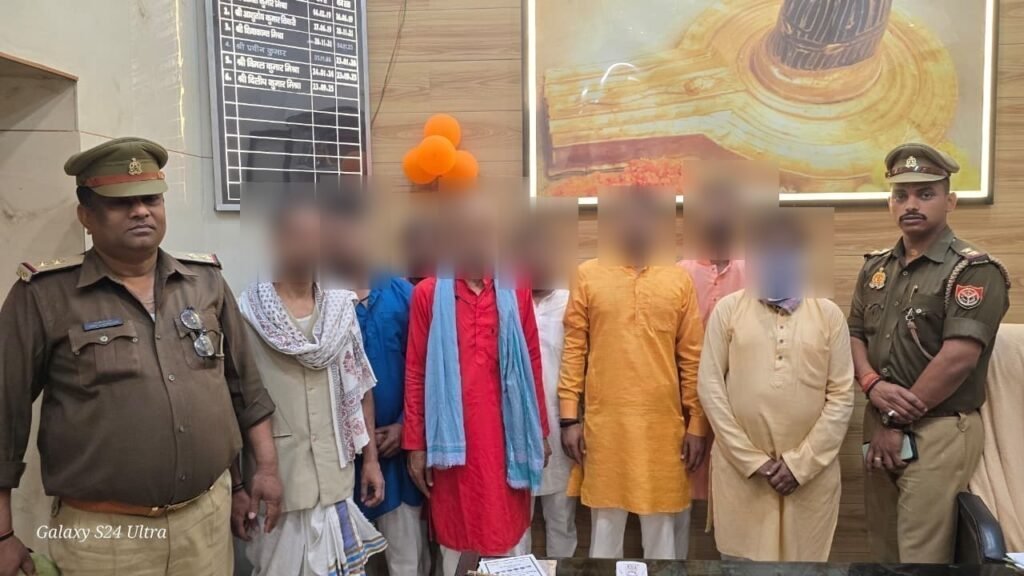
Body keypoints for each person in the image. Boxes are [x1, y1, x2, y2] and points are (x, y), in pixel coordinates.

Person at [0, 137, 282, 576]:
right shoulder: (43, 296)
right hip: (104, 537)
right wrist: (2, 534)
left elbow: (242, 387)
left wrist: (260, 471)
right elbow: (4, 414)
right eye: (121, 202)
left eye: (151, 198)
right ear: (86, 215)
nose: (140, 211)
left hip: (206, 522)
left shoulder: (204, 282)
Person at [849, 143, 1011, 563]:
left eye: (925, 194)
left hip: (938, 428)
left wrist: (894, 419)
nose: (911, 204)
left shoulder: (974, 270)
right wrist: (871, 382)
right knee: (883, 550)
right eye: (901, 194)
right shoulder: (875, 268)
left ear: (950, 201)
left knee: (921, 557)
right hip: (878, 425)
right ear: (890, 202)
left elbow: (958, 358)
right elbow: (854, 335)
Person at [237, 194, 387, 575]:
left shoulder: (340, 310)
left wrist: (371, 460)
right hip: (279, 489)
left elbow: (361, 389)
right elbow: (235, 404)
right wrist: (237, 486)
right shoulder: (245, 314)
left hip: (336, 482)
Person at [402, 194, 550, 576]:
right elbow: (415, 372)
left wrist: (540, 431)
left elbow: (532, 360)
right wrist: (416, 444)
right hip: (453, 445)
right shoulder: (428, 294)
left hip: (508, 439)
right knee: (458, 545)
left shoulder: (516, 287)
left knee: (510, 541)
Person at [559, 187, 708, 560]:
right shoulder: (588, 274)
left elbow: (693, 358)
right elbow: (574, 350)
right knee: (605, 533)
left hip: (663, 430)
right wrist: (568, 419)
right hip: (605, 428)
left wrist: (697, 425)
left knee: (662, 537)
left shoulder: (677, 280)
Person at [698, 210, 854, 561]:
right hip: (743, 475)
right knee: (741, 566)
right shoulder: (728, 310)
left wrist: (800, 465)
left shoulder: (828, 314)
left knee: (803, 566)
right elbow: (710, 386)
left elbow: (842, 396)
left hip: (809, 477)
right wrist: (752, 460)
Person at [324, 189, 430, 576]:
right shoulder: (320, 299)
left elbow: (425, 371)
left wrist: (405, 426)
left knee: (407, 558)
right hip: (342, 458)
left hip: (399, 453)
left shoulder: (404, 294)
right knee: (351, 563)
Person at [677, 174, 747, 550]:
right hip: (684, 409)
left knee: (738, 501)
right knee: (676, 503)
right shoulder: (679, 273)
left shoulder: (755, 272)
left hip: (740, 411)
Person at [510, 210, 578, 559]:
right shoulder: (506, 302)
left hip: (562, 428)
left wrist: (575, 422)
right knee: (516, 524)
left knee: (561, 520)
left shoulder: (571, 303)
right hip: (515, 430)